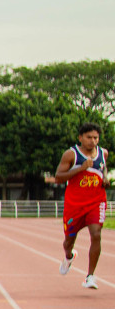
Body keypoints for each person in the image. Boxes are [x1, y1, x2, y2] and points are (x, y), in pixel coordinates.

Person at [55, 123, 108, 289]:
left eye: (96, 138)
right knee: (68, 242)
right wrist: (81, 169)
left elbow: (103, 168)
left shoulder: (103, 153)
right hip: (75, 205)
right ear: (80, 138)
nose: (93, 141)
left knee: (96, 233)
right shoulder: (71, 155)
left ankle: (90, 276)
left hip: (96, 201)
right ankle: (69, 256)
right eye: (89, 137)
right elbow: (58, 177)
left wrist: (105, 178)